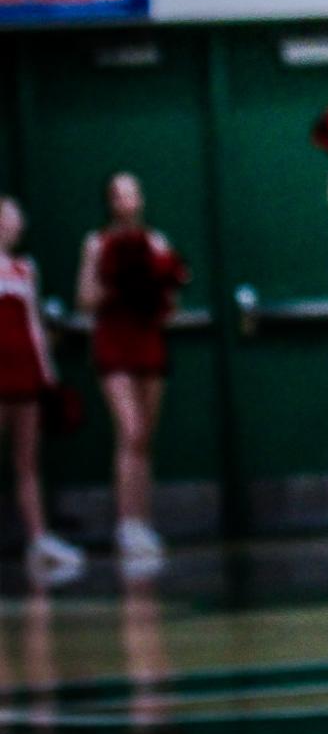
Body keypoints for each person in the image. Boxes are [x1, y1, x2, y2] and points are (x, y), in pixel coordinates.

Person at [77, 173, 189, 569]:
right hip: (114, 340)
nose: (127, 200)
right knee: (131, 429)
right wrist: (119, 285)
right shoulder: (96, 243)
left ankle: (144, 519)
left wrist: (156, 283)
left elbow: (172, 302)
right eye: (119, 194)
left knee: (146, 436)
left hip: (147, 339)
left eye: (133, 192)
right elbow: (85, 298)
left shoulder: (157, 242)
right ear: (110, 201)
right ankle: (126, 523)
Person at [0, 197, 85, 582]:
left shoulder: (26, 268)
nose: (16, 225)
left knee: (27, 461)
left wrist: (47, 373)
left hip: (26, 374)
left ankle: (38, 537)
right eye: (9, 218)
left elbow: (34, 324)